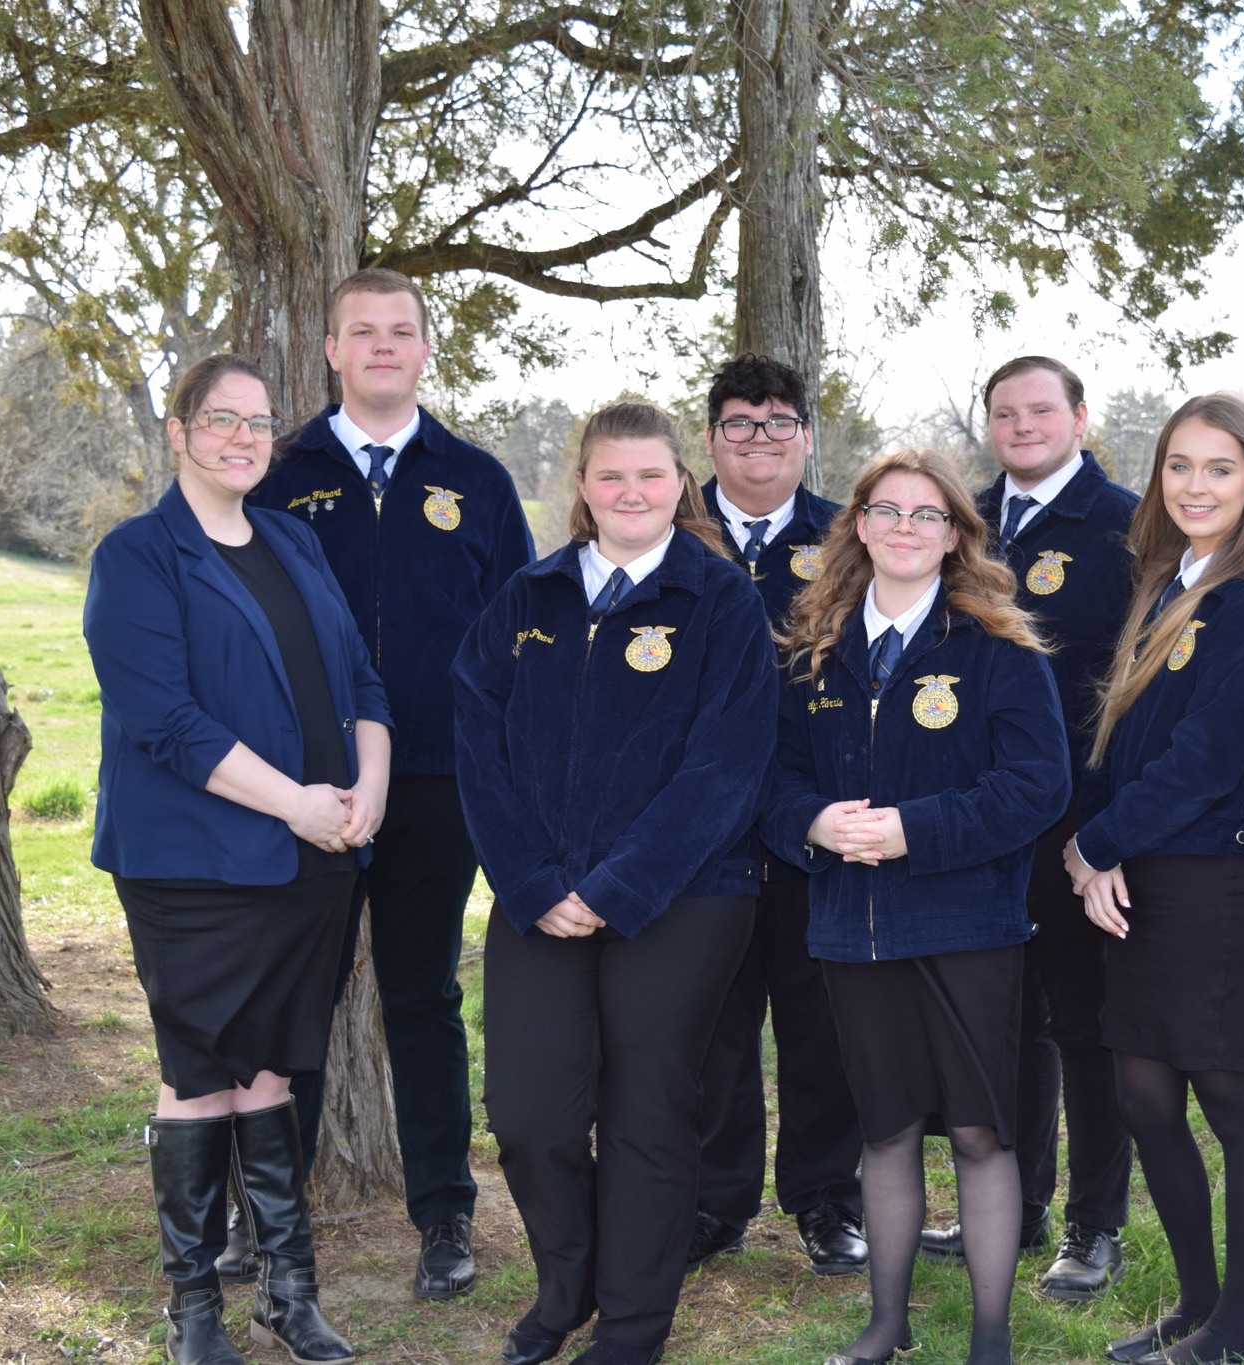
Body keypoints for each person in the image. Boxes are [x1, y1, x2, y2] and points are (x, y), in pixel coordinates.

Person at [453, 401, 778, 1365]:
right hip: (538, 894)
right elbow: (480, 744)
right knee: (529, 1115)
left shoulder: (720, 601)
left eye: (650, 475)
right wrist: (531, 880)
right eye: (610, 477)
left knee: (646, 1113)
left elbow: (726, 766)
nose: (630, 493)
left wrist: (620, 886)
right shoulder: (529, 596)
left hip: (686, 895)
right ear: (583, 489)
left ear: (681, 483)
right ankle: (569, 1288)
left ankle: (632, 1328)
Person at [86, 354, 387, 1365]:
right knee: (198, 1073)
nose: (241, 438)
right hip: (193, 865)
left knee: (269, 1066)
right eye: (219, 419)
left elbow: (360, 680)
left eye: (258, 423)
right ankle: (195, 1313)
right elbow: (163, 721)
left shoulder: (294, 540)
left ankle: (288, 1297)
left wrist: (366, 792)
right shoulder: (137, 557)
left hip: (313, 858)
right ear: (177, 432)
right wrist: (297, 804)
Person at [246, 268, 534, 1299]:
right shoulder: (279, 474)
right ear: (329, 349)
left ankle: (445, 1219)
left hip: (432, 783)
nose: (380, 347)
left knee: (422, 996)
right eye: (360, 332)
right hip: (305, 790)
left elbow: (520, 641)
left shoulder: (479, 480)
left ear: (424, 349)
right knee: (297, 1000)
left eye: (399, 331)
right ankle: (265, 1216)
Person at [761, 449, 1070, 1365]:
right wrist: (812, 821)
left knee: (980, 1131)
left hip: (966, 925)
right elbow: (770, 780)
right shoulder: (813, 648)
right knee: (885, 1132)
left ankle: (989, 1337)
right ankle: (885, 1324)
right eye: (886, 511)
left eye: (926, 515)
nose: (904, 528)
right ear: (857, 525)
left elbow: (1037, 785)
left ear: (954, 537)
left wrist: (914, 830)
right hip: (849, 929)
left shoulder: (997, 648)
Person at [1062, 394, 1244, 1365]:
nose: (1194, 485)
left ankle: (1235, 1334)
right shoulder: (1165, 586)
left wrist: (1095, 847)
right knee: (1143, 1100)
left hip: (1216, 884)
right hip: (1142, 879)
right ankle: (1199, 1304)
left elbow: (1205, 763)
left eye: (1217, 467)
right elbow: (1119, 747)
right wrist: (1095, 846)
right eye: (1177, 466)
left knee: (1230, 1102)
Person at [920, 356, 1139, 1302]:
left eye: (1041, 409)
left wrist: (1113, 826)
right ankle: (1008, 1203)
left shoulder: (1130, 523)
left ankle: (1095, 1226)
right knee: (999, 1022)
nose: (1022, 426)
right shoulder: (959, 520)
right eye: (1004, 413)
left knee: (1086, 1024)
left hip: (1078, 820)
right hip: (981, 821)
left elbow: (1139, 679)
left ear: (1079, 417)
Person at [690, 353, 868, 1276]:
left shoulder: (851, 536)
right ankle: (714, 1204)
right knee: (714, 1024)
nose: (759, 439)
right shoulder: (673, 531)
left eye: (777, 422)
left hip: (812, 819)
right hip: (702, 829)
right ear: (711, 436)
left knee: (818, 1018)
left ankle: (827, 1198)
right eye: (739, 422)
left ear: (806, 435)